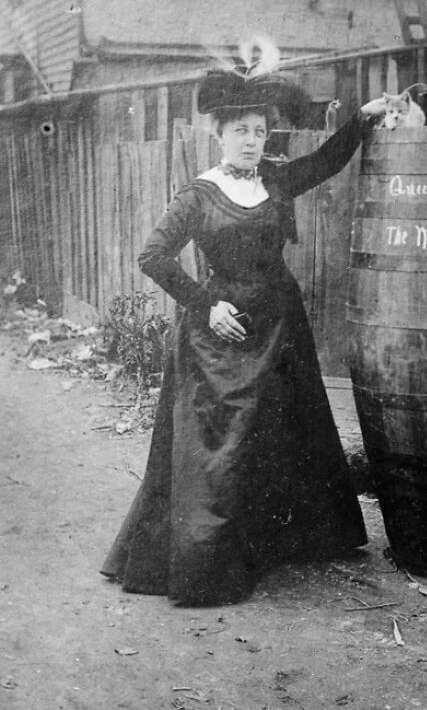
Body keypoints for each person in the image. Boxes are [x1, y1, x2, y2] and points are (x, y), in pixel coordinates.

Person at [101, 71, 369, 605]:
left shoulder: (274, 180)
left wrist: (363, 120)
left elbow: (328, 161)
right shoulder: (198, 195)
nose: (252, 140)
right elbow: (153, 257)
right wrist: (206, 305)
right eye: (242, 130)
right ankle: (206, 561)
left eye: (260, 131)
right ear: (220, 134)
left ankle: (277, 543)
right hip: (222, 333)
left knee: (285, 432)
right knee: (218, 449)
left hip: (280, 326)